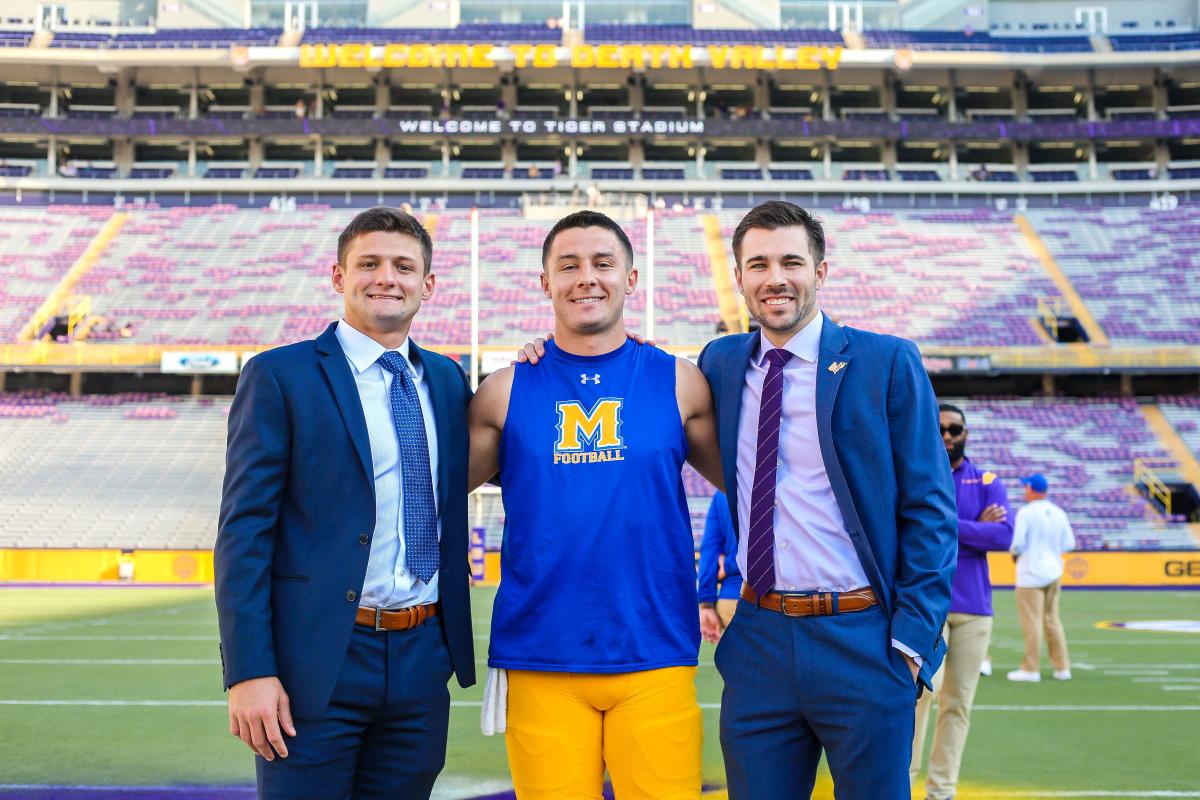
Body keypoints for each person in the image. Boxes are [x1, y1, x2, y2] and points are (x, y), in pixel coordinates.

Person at [696, 200, 957, 800]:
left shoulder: (886, 361)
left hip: (862, 636)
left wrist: (910, 642)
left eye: (791, 261)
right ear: (738, 277)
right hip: (759, 636)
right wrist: (545, 351)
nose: (775, 278)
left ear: (821, 271)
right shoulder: (721, 361)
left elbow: (932, 511)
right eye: (757, 264)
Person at [214, 207, 476, 799]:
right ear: (338, 277)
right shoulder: (281, 375)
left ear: (427, 285)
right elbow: (244, 533)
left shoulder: (446, 379)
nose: (387, 277)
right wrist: (250, 671)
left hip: (420, 654)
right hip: (319, 659)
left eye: (404, 266)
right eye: (370, 263)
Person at [468, 209, 724, 799]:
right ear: (545, 282)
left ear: (630, 279)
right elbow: (424, 496)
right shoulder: (502, 391)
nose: (587, 277)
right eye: (569, 265)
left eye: (603, 263)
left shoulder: (681, 382)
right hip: (541, 656)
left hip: (654, 652)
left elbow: (755, 484)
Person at [911, 402, 1014, 800]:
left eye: (955, 429)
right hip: (926, 606)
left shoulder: (987, 480)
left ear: (965, 433)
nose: (947, 436)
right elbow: (911, 530)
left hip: (974, 610)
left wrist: (945, 525)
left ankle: (941, 791)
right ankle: (900, 785)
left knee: (958, 705)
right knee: (916, 702)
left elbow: (1003, 537)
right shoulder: (915, 474)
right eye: (939, 429)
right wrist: (974, 530)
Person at [1008, 473, 1075, 683]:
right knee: (1052, 620)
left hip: (1031, 573)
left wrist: (1017, 555)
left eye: (1025, 488)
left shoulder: (1026, 513)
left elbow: (1016, 543)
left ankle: (1031, 668)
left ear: (1031, 489)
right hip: (1054, 571)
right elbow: (1069, 544)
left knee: (1032, 623)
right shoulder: (1058, 512)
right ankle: (1062, 667)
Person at [698, 490, 741, 643]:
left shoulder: (721, 494)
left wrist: (706, 604)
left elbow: (709, 550)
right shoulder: (782, 481)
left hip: (730, 600)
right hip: (779, 599)